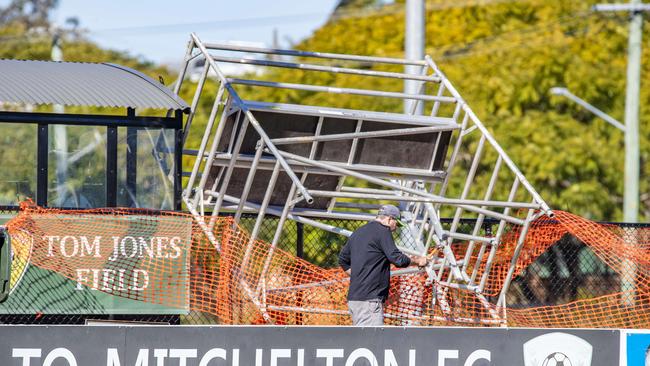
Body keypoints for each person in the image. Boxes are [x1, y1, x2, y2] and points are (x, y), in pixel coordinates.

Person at [338, 204, 428, 326]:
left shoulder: (358, 232)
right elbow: (397, 259)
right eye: (396, 223)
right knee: (372, 340)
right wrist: (418, 261)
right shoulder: (382, 231)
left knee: (364, 339)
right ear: (389, 219)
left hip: (355, 299)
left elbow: (343, 259)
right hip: (369, 300)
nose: (395, 228)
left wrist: (358, 277)